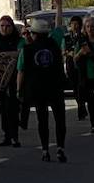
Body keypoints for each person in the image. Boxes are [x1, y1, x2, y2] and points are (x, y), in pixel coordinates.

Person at [18, 18, 67, 163]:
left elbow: (21, 71)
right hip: (55, 86)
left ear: (33, 33)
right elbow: (58, 26)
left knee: (42, 120)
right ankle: (60, 148)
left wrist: (19, 90)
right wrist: (58, 6)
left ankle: (45, 149)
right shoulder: (55, 43)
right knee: (60, 119)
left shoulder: (27, 50)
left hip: (38, 88)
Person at [0, 16, 22, 147]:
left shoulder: (18, 40)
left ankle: (15, 136)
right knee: (3, 108)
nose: (4, 29)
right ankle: (7, 136)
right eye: (2, 26)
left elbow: (21, 53)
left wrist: (7, 55)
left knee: (12, 108)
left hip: (14, 78)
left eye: (7, 26)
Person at [63, 15, 87, 121]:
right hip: (70, 63)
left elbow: (85, 49)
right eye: (73, 24)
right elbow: (63, 50)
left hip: (80, 63)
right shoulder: (67, 36)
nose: (75, 26)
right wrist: (68, 53)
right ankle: (81, 107)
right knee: (74, 86)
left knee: (80, 86)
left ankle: (81, 109)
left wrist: (78, 54)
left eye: (77, 24)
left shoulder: (82, 36)